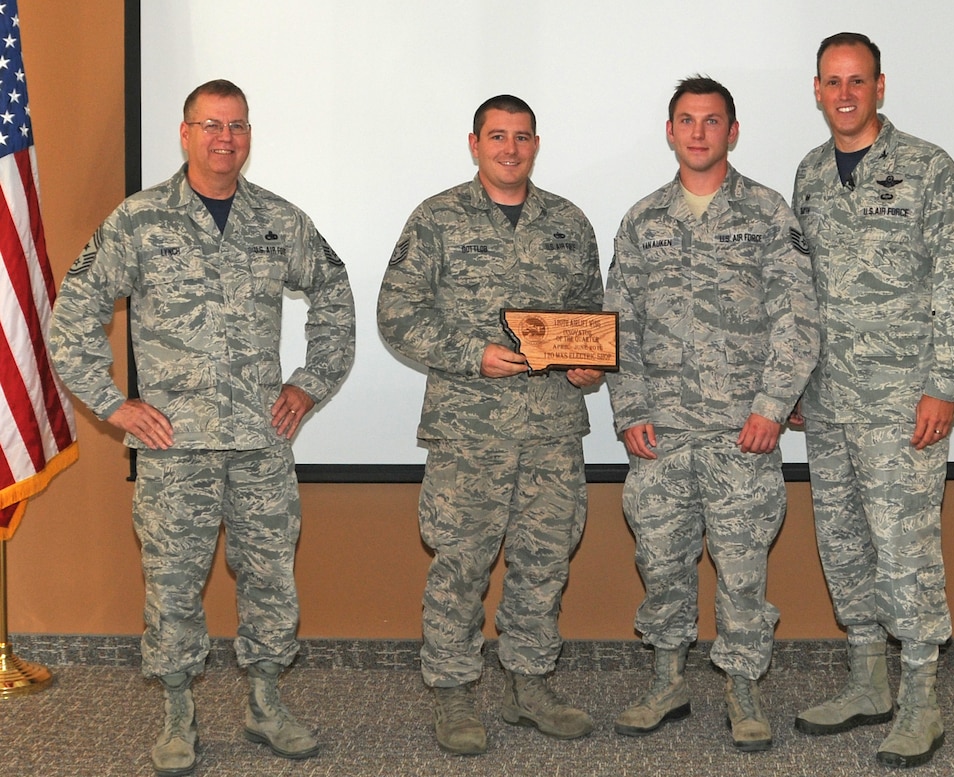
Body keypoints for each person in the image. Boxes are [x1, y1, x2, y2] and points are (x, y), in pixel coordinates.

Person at [48, 79, 355, 776]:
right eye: (211, 125)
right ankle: (179, 714)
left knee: (271, 577)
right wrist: (112, 401)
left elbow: (334, 294)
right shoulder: (141, 220)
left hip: (260, 443)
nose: (226, 139)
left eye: (238, 126)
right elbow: (74, 311)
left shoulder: (279, 220)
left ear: (249, 136)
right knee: (174, 582)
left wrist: (308, 383)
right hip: (173, 446)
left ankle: (266, 704)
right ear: (184, 134)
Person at [376, 95, 602, 755]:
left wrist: (590, 365)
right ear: (474, 143)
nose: (510, 148)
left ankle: (530, 685)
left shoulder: (568, 222)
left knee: (544, 560)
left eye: (522, 136)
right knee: (460, 563)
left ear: (537, 143)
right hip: (468, 430)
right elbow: (398, 313)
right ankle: (454, 693)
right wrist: (469, 354)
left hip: (552, 429)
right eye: (497, 136)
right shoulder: (437, 219)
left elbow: (589, 314)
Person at [790, 33, 954, 769]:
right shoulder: (810, 175)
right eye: (832, 82)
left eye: (858, 81)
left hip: (905, 403)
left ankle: (920, 702)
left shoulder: (928, 168)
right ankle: (868, 682)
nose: (845, 94)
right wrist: (798, 383)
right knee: (845, 547)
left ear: (880, 87)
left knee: (906, 555)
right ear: (816, 89)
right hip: (830, 404)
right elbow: (801, 291)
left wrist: (946, 383)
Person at [605, 76, 820, 751]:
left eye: (712, 121)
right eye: (686, 121)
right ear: (670, 132)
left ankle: (742, 686)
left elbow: (798, 315)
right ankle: (667, 678)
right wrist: (629, 408)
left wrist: (771, 406)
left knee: (742, 567)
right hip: (661, 433)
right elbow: (620, 325)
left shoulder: (766, 212)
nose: (699, 132)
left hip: (742, 434)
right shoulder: (643, 221)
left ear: (732, 132)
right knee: (662, 560)